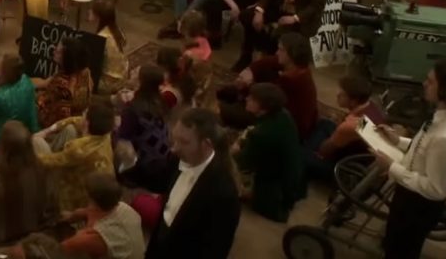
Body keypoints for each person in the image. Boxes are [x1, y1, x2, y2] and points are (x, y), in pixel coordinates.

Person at [373, 59, 446, 259]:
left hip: (416, 205)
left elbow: (434, 189)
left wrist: (391, 166)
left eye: (430, 81)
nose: (424, 84)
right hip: (411, 197)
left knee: (400, 253)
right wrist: (398, 141)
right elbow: (426, 149)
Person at [144, 108, 241, 259]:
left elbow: (214, 250)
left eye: (184, 142)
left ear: (206, 145)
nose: (174, 148)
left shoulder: (224, 193)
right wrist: (130, 162)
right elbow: (159, 181)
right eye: (175, 139)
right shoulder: (179, 159)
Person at [9, 173, 145, 259]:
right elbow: (89, 211)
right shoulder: (123, 207)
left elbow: (60, 250)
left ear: (92, 200)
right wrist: (70, 216)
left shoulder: (91, 237)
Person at [217, 32, 319, 140]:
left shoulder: (292, 79)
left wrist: (247, 84)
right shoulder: (298, 67)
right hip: (282, 113)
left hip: (287, 129)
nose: (277, 52)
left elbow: (265, 98)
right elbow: (270, 60)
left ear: (291, 55)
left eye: (281, 50)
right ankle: (235, 97)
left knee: (222, 110)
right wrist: (250, 70)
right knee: (262, 73)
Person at [233, 83, 305, 222]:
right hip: (292, 180)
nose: (247, 99)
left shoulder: (263, 134)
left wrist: (236, 147)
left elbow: (242, 162)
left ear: (264, 107)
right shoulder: (283, 115)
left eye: (252, 99)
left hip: (274, 193)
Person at [34, 102, 117, 213]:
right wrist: (47, 131)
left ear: (87, 123)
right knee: (70, 129)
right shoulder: (105, 135)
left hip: (77, 195)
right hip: (95, 185)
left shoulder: (79, 149)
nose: (81, 115)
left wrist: (29, 154)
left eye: (84, 114)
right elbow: (74, 120)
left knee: (38, 143)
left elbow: (50, 161)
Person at [305, 75, 380, 181]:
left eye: (342, 94)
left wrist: (318, 150)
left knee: (296, 153)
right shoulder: (371, 106)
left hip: (346, 168)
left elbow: (324, 150)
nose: (337, 95)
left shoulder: (351, 125)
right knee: (325, 123)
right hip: (361, 155)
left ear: (354, 101)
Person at [117, 65, 171, 193]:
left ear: (141, 82)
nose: (132, 71)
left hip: (142, 169)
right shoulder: (159, 101)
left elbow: (124, 146)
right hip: (163, 163)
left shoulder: (132, 110)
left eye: (136, 72)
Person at [35, 37, 94, 128]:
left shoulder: (60, 84)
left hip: (54, 125)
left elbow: (41, 104)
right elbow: (47, 82)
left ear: (67, 58)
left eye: (58, 51)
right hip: (78, 121)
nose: (54, 50)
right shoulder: (85, 72)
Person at [93, 0, 128, 95]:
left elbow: (95, 63)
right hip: (122, 76)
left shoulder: (102, 37)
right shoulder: (117, 31)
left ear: (99, 17)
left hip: (109, 82)